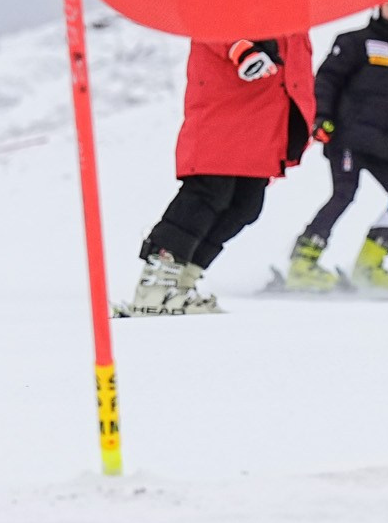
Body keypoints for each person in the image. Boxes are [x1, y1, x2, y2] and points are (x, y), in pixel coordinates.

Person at [128, 29, 317, 315]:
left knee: (245, 205)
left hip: (267, 111)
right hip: (228, 101)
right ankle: (155, 287)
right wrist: (239, 46)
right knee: (208, 193)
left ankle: (181, 282)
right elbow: (209, 13)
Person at [283, 0, 388, 295]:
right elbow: (325, 82)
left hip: (387, 143)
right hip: (348, 136)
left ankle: (368, 268)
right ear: (379, 5)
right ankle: (303, 264)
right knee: (344, 194)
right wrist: (321, 118)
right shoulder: (353, 42)